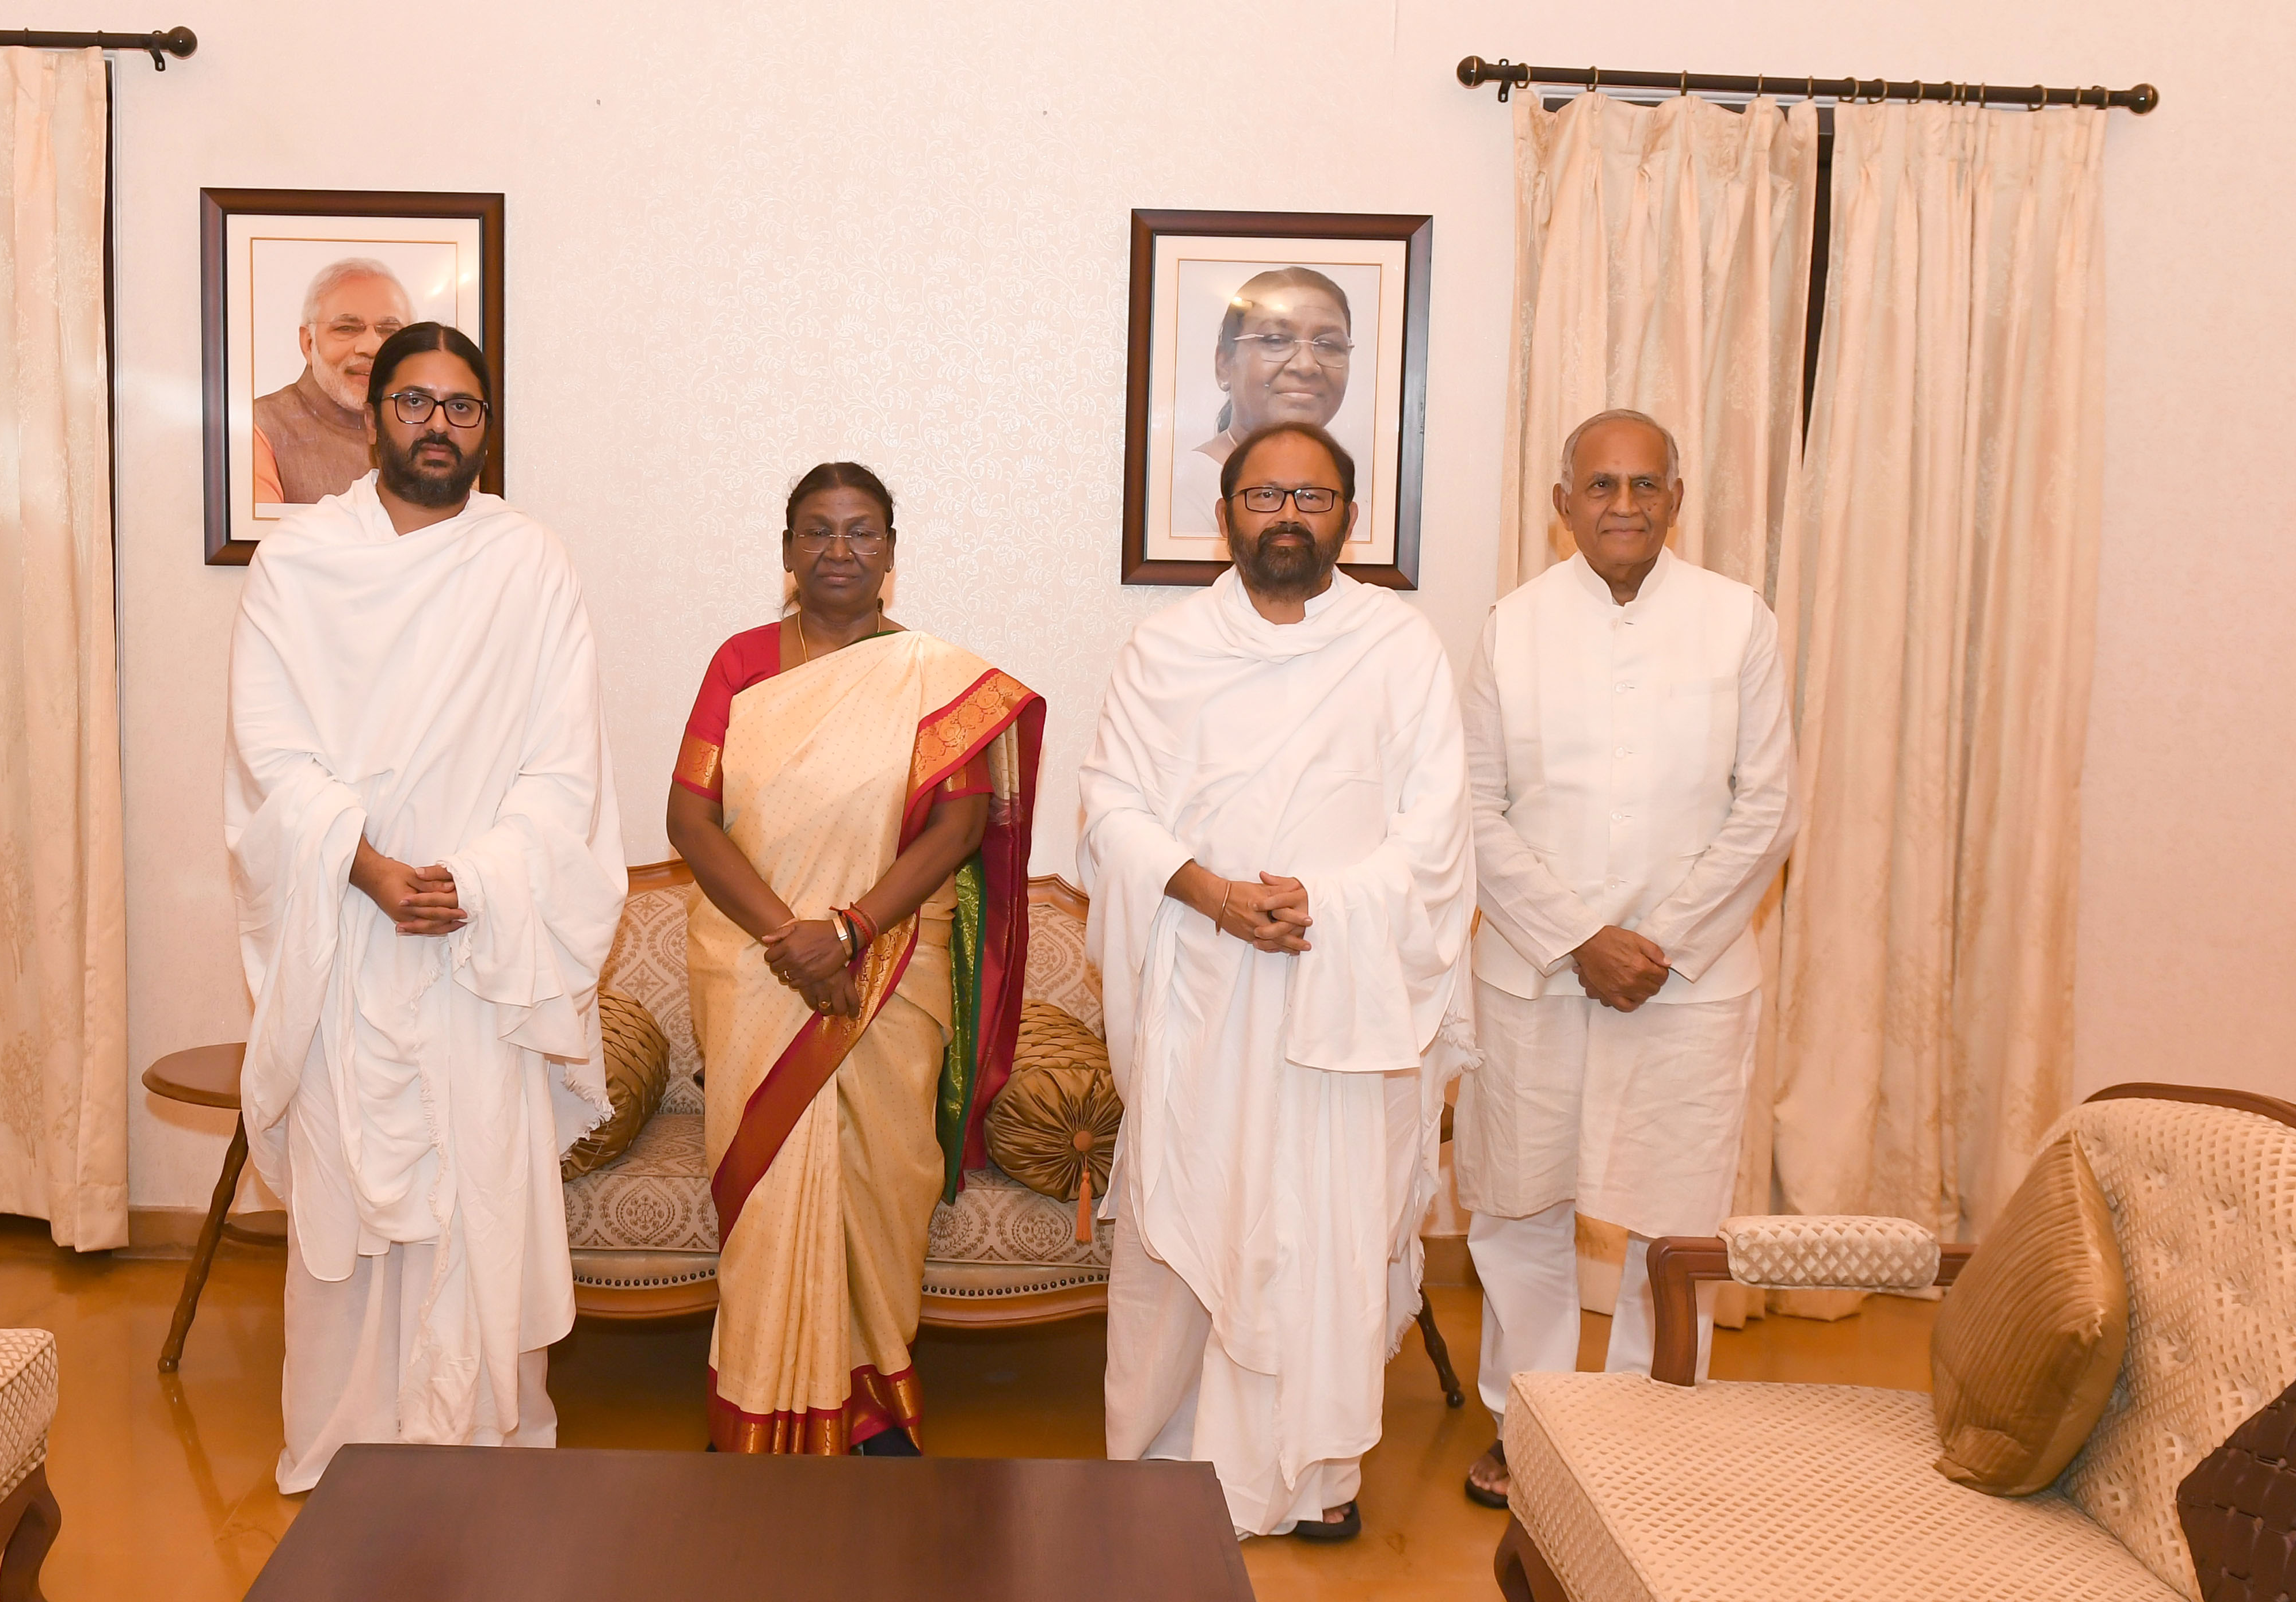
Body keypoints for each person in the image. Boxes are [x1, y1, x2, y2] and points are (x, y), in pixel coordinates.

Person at [227, 321, 624, 1493]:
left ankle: (480, 1450)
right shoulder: (299, 565)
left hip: (482, 945)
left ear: (486, 426)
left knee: (477, 1200)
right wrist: (365, 863)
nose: (437, 424)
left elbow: (567, 767)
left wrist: (484, 875)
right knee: (357, 1207)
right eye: (414, 402)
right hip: (350, 931)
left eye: (461, 406)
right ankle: (353, 1455)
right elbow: (268, 752)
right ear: (372, 415)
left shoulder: (529, 562)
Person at [1082, 420, 1473, 1539]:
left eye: (1312, 499)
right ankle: (1159, 1461)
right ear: (1227, 515)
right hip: (1203, 992)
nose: (1287, 518)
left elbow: (1438, 836)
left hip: (1340, 995)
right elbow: (1110, 805)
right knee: (1185, 1227)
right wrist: (1207, 892)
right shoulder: (1165, 652)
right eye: (1265, 498)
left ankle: (1311, 1481)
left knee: (1324, 1234)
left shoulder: (1398, 648)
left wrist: (1326, 905)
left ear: (1350, 516)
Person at [1453, 409, 1796, 1509]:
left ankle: (1646, 1431)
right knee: (1522, 1204)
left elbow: (1769, 805)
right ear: (1562, 504)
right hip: (1539, 971)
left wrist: (1665, 939)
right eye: (1600, 485)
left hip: (1686, 981)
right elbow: (1474, 805)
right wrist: (1577, 937)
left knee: (1671, 1212)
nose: (1624, 505)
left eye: (1646, 485)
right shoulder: (1510, 625)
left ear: (1677, 498)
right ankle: (1531, 1423)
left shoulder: (1738, 620)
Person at [665, 463, 1044, 1455]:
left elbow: (960, 826)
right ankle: (756, 1399)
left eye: (862, 531)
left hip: (887, 966)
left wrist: (847, 931)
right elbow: (690, 820)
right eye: (818, 532)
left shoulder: (934, 676)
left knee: (883, 1179)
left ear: (890, 548)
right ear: (787, 551)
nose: (840, 550)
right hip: (757, 967)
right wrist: (791, 936)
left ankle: (871, 1401)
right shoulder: (741, 663)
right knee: (769, 1188)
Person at [1170, 268, 1361, 536]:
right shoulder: (1183, 490)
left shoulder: (1355, 486)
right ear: (1224, 364)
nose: (1307, 366)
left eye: (1328, 345)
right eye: (1276, 340)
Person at [253, 258, 415, 508]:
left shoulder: (430, 427)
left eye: (390, 331)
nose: (372, 348)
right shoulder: (258, 427)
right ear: (308, 344)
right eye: (347, 328)